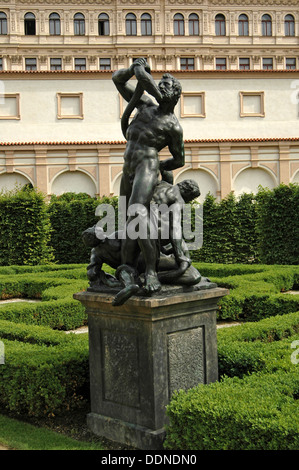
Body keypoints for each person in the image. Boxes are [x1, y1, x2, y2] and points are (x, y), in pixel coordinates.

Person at [112, 58, 185, 297]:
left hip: (146, 166)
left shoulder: (173, 126)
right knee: (127, 220)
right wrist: (133, 69)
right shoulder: (144, 104)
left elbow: (179, 160)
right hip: (128, 166)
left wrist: (158, 168)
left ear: (173, 95)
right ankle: (129, 269)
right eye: (159, 84)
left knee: (137, 212)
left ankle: (152, 271)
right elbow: (117, 79)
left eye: (164, 86)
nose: (160, 87)